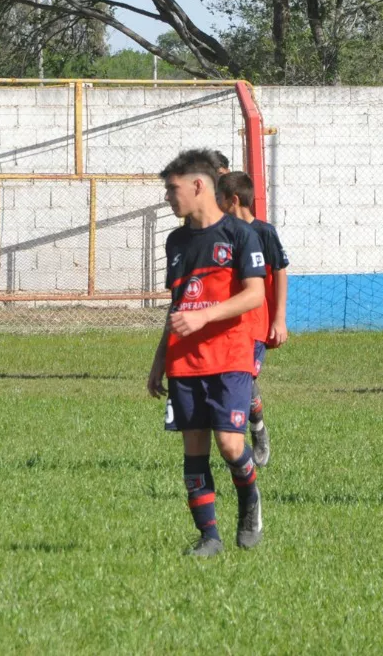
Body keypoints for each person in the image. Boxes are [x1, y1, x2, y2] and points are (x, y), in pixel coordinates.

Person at [147, 149, 267, 556]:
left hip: (230, 357)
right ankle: (209, 537)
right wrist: (159, 360)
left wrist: (205, 318)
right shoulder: (176, 241)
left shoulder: (239, 234)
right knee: (193, 449)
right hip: (185, 362)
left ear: (198, 186)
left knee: (231, 446)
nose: (168, 197)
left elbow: (254, 295)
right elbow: (177, 305)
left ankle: (250, 500)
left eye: (172, 188)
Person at [215, 171, 289, 467]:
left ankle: (256, 431)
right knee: (234, 380)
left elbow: (281, 273)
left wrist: (279, 318)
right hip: (230, 325)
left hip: (257, 324)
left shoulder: (264, 232)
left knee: (245, 379)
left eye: (219, 199)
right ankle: (242, 434)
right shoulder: (219, 234)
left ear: (233, 201)